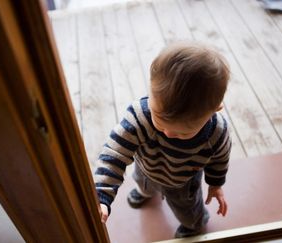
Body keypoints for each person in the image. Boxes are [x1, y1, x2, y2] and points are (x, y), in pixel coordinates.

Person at [94, 41, 231, 238]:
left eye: (183, 132)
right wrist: (102, 195)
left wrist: (215, 184)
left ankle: (196, 224)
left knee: (187, 210)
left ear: (215, 109)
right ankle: (147, 193)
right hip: (146, 169)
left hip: (182, 183)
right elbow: (114, 154)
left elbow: (220, 160)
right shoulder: (140, 117)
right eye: (159, 121)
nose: (167, 133)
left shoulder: (216, 133)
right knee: (142, 184)